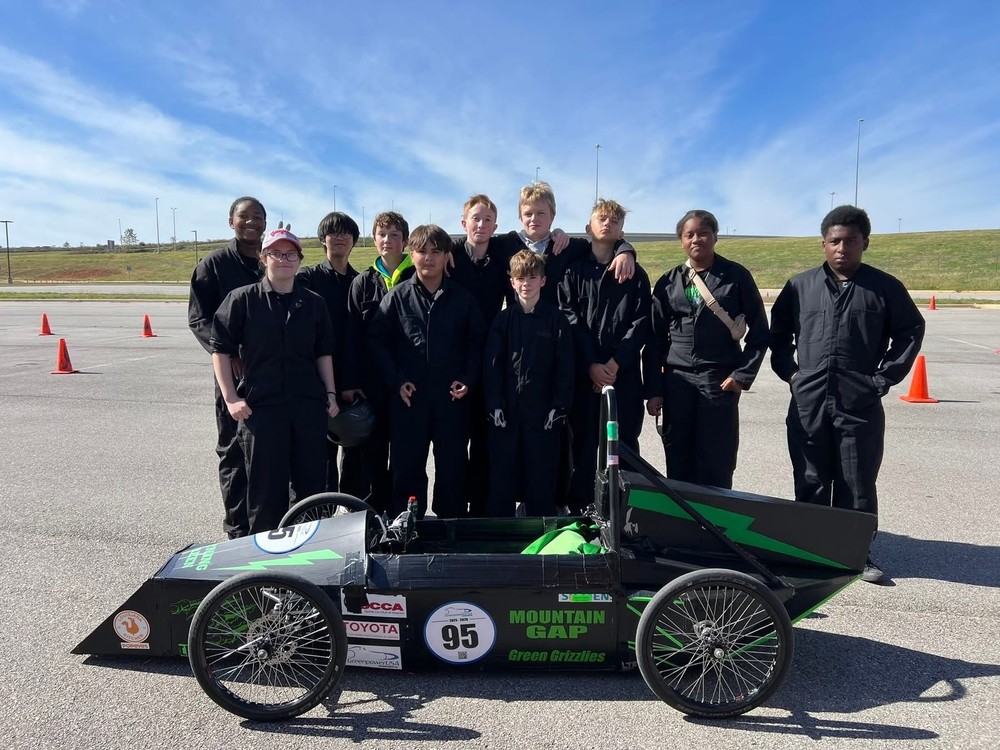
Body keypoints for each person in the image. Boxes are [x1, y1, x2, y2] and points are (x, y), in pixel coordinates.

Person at [770, 205, 925, 584]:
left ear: (864, 243)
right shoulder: (800, 286)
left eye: (851, 241)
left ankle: (855, 554)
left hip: (859, 402)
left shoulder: (884, 287)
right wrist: (792, 375)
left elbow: (910, 331)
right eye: (835, 241)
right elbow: (777, 336)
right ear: (823, 244)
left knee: (857, 479)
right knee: (810, 477)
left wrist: (882, 379)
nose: (843, 248)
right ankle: (807, 551)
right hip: (809, 400)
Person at [210, 228, 339, 535]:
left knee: (309, 489)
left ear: (299, 260)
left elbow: (323, 353)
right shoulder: (242, 301)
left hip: (307, 407)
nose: (284, 260)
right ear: (263, 258)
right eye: (276, 254)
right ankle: (266, 567)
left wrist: (331, 393)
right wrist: (230, 398)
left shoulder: (314, 303)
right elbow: (221, 349)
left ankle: (307, 558)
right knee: (266, 491)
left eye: (291, 254)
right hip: (262, 409)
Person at [643, 209, 769, 489]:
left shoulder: (736, 277)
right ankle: (682, 521)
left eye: (703, 233)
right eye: (689, 234)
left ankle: (715, 523)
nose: (696, 239)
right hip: (677, 382)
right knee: (678, 454)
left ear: (715, 236)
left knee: (717, 456)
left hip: (719, 380)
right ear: (681, 240)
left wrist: (742, 375)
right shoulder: (668, 281)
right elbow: (654, 340)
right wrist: (654, 390)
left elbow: (760, 332)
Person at [369, 224, 485, 519]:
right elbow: (378, 343)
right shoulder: (396, 298)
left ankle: (450, 528)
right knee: (407, 469)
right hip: (410, 401)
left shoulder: (464, 299)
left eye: (436, 251)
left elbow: (478, 345)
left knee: (452, 468)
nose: (428, 258)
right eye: (422, 251)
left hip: (452, 400)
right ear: (411, 252)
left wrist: (468, 380)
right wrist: (396, 380)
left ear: (447, 256)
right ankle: (407, 527)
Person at [559, 199, 651, 513]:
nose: (607, 223)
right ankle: (580, 510)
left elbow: (641, 323)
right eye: (601, 218)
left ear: (622, 231)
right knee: (582, 446)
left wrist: (614, 364)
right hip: (584, 376)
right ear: (589, 227)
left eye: (614, 221)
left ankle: (625, 513)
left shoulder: (635, 274)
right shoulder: (574, 270)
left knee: (623, 445)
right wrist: (591, 365)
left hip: (622, 376)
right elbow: (568, 317)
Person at [187, 196, 266, 538]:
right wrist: (228, 351)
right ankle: (237, 531)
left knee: (267, 453)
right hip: (232, 379)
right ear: (231, 222)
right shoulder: (213, 266)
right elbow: (199, 318)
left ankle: (266, 527)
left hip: (270, 375)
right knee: (234, 454)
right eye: (244, 216)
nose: (252, 222)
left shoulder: (272, 260)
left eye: (258, 217)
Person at [485, 250, 574, 517]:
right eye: (520, 278)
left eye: (532, 277)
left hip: (542, 411)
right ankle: (500, 533)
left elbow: (565, 367)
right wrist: (495, 402)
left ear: (543, 281)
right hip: (508, 413)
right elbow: (493, 365)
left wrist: (559, 406)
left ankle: (539, 530)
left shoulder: (556, 320)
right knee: (502, 474)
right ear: (512, 282)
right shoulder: (503, 320)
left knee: (541, 474)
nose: (526, 283)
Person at [346, 211, 415, 513]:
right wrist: (350, 383)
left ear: (406, 241)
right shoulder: (362, 282)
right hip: (371, 385)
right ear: (374, 240)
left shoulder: (419, 276)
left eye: (395, 235)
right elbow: (350, 336)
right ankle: (372, 514)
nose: (388, 240)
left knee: (404, 453)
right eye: (382, 234)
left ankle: (402, 512)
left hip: (407, 384)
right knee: (371, 453)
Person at [449, 195, 510, 514]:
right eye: (475, 218)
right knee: (456, 441)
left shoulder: (502, 254)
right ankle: (455, 508)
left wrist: (624, 246)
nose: (481, 225)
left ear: (495, 226)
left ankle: (483, 507)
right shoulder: (450, 255)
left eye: (487, 220)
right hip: (455, 360)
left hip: (491, 357)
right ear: (464, 223)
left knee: (487, 441)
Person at [298, 211, 365, 495]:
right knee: (319, 458)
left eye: (345, 233)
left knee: (356, 452)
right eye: (332, 232)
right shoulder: (307, 279)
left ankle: (353, 513)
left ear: (354, 242)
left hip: (351, 378)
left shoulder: (361, 281)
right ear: (322, 240)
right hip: (313, 380)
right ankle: (319, 515)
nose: (339, 237)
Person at [491, 181, 636, 305]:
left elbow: (601, 243)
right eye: (528, 214)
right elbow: (477, 243)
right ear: (520, 217)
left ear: (552, 215)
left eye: (541, 213)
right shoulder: (505, 244)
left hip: (555, 329)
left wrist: (624, 251)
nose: (534, 218)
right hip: (516, 328)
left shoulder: (567, 247)